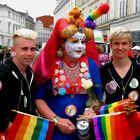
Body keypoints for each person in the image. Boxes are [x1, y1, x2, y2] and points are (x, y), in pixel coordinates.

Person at [33, 4, 109, 140]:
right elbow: (39, 98)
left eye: (83, 42)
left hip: (84, 131)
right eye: (74, 41)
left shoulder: (90, 65)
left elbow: (98, 97)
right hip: (55, 132)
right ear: (62, 42)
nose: (80, 46)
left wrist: (91, 112)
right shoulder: (50, 63)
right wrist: (56, 120)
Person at [0, 28, 37, 137]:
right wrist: (21, 132)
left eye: (33, 49)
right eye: (24, 49)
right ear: (13, 50)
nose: (29, 53)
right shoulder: (3, 75)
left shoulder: (30, 73)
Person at [100, 27, 140, 111]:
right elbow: (99, 101)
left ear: (130, 45)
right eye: (116, 43)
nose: (120, 47)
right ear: (110, 45)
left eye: (124, 43)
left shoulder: (138, 69)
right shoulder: (103, 71)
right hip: (112, 122)